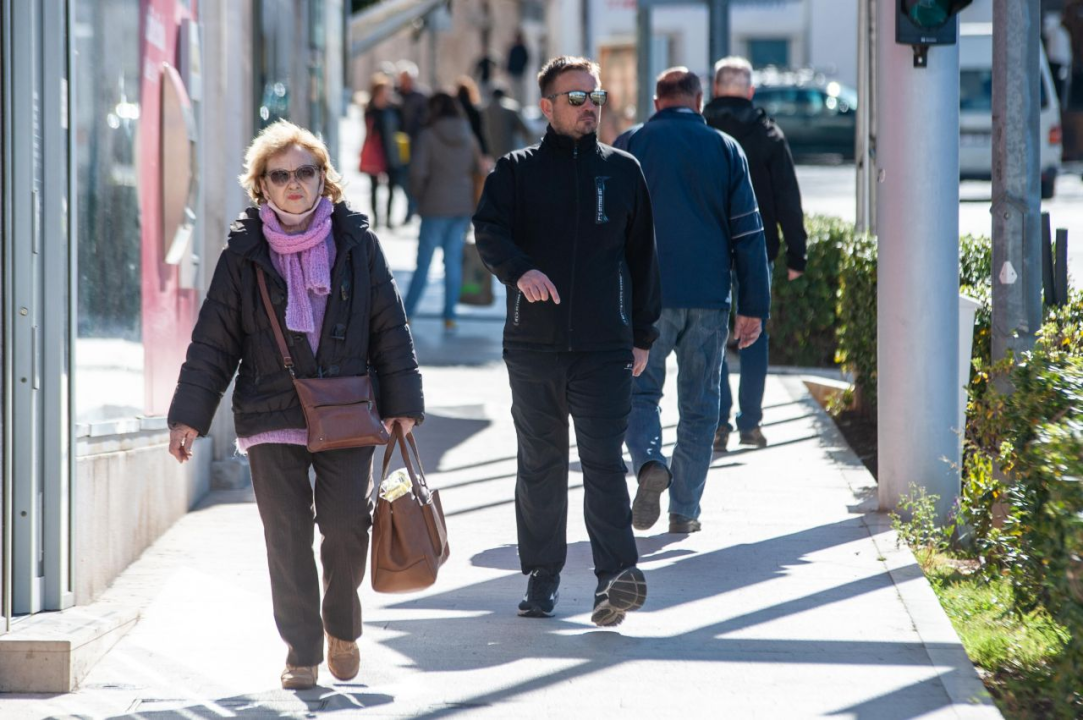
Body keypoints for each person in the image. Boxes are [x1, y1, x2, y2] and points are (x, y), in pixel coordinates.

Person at [166, 120, 424, 690]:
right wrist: (190, 413)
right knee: (285, 536)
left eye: (303, 173)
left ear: (323, 180)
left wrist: (402, 401)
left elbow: (389, 328)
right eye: (278, 176)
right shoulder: (244, 253)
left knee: (345, 527)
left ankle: (343, 626)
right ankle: (302, 651)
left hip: (347, 406)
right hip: (271, 410)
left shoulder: (357, 243)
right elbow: (215, 339)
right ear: (261, 187)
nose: (292, 185)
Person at [473, 55, 660, 628]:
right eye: (576, 98)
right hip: (533, 347)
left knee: (603, 461)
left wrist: (643, 333)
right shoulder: (516, 170)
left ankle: (615, 579)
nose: (589, 107)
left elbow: (644, 258)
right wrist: (520, 270)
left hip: (605, 347)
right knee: (541, 463)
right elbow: (489, 231)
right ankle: (542, 573)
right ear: (547, 107)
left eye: (595, 96)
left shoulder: (624, 170)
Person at [622, 68, 769, 535]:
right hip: (709, 297)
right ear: (699, 101)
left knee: (638, 391)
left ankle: (649, 461)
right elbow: (749, 233)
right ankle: (684, 509)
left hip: (645, 299)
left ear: (656, 100)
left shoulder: (631, 143)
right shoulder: (726, 149)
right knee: (702, 404)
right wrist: (753, 306)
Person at [703, 56, 808, 452]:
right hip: (757, 247)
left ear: (714, 90)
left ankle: (719, 423)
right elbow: (787, 198)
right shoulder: (768, 134)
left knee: (712, 335)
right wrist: (797, 254)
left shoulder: (702, 131)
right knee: (755, 334)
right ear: (750, 92)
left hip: (709, 250)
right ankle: (751, 424)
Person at [402, 92, 482, 331]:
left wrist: (417, 197)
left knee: (424, 263)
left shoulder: (427, 135)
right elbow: (478, 167)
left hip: (434, 206)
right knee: (453, 262)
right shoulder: (468, 133)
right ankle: (450, 316)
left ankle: (407, 314)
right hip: (462, 207)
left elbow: (417, 173)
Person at [360, 74, 404, 229]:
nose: (387, 93)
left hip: (391, 152)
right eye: (385, 90)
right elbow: (369, 132)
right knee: (374, 188)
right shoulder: (370, 109)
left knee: (392, 187)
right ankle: (377, 219)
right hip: (375, 152)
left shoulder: (394, 108)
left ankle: (389, 218)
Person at [396, 60, 430, 224]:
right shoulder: (395, 95)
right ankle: (411, 206)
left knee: (415, 177)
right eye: (403, 79)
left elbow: (427, 119)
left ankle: (414, 207)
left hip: (417, 144)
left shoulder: (421, 96)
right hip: (399, 144)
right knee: (402, 177)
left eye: (408, 79)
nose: (406, 83)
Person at [482, 86, 534, 158]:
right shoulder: (510, 109)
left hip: (489, 149)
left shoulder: (484, 110)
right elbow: (524, 129)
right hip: (507, 148)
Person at [456, 76, 491, 159]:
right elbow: (480, 132)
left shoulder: (454, 111)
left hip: (458, 146)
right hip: (472, 147)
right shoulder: (475, 110)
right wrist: (485, 151)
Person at [506, 31, 530, 102]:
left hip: (520, 73)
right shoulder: (513, 49)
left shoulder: (523, 49)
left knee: (520, 91)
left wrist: (522, 67)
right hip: (513, 73)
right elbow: (510, 60)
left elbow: (526, 59)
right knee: (513, 90)